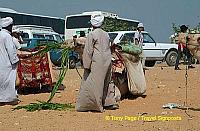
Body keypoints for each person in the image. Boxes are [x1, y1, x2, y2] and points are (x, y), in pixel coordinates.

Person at [76, 13, 118, 112]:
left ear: (92, 24)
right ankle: (109, 102)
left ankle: (95, 105)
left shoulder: (92, 34)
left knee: (96, 84)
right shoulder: (106, 34)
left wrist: (86, 65)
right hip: (107, 60)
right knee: (107, 81)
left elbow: (88, 51)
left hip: (97, 61)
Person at [0, 17, 19, 105]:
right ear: (9, 26)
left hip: (1, 61)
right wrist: (15, 61)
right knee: (8, 81)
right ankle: (8, 99)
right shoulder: (7, 36)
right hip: (6, 64)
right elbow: (11, 51)